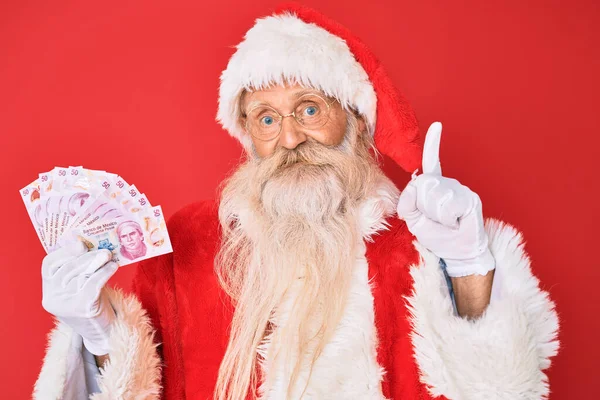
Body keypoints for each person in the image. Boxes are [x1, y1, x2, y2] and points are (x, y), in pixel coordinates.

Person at [33, 4, 559, 400]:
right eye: (266, 118)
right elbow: (139, 385)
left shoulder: (418, 239)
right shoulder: (188, 243)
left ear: (354, 121)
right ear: (246, 134)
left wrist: (468, 263)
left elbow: (498, 389)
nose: (288, 139)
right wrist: (96, 330)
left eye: (308, 109)